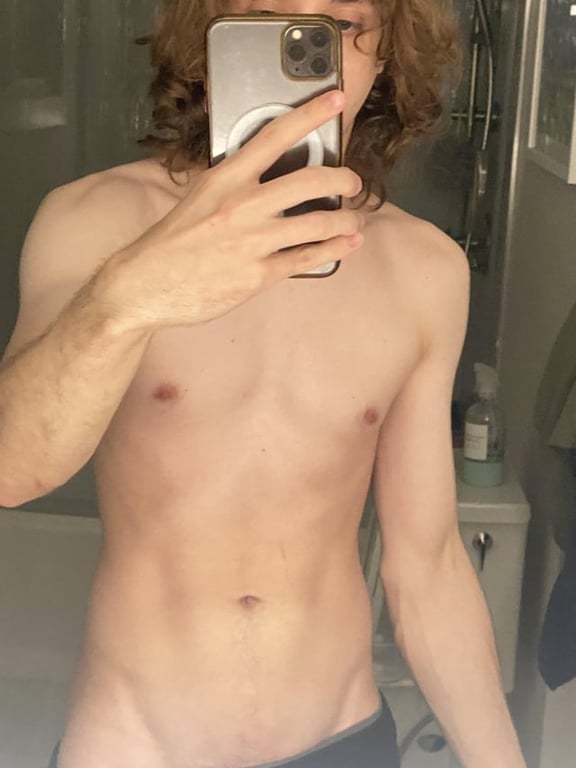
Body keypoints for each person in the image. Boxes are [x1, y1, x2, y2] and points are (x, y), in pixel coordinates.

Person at [0, 1, 526, 766]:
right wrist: (131, 294)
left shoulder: (426, 270)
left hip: (344, 738)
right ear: (213, 38)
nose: (310, 57)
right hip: (132, 743)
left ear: (385, 57)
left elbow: (428, 569)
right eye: (266, 18)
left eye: (343, 28)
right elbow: (12, 469)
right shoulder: (95, 220)